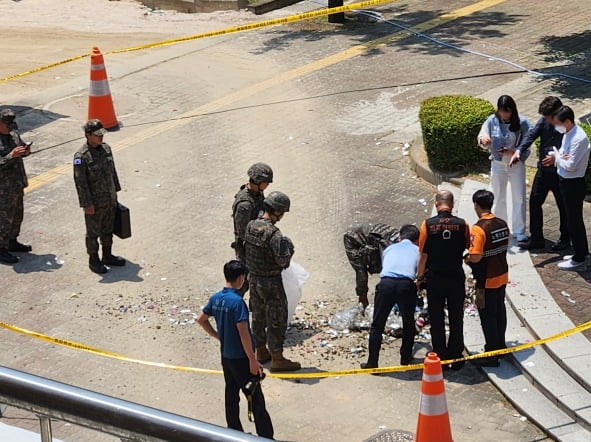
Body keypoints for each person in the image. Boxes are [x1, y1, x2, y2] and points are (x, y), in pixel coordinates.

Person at [197, 260, 274, 439]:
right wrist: (252, 360)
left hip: (226, 357)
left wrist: (219, 336)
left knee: (231, 396)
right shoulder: (237, 302)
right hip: (241, 359)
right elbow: (244, 333)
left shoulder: (216, 298)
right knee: (256, 400)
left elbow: (201, 319)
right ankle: (266, 437)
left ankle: (233, 433)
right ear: (241, 278)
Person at [244, 191, 300, 372]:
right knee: (277, 319)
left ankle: (261, 350)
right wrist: (289, 248)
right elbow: (283, 262)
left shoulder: (251, 225)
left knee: (258, 316)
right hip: (271, 283)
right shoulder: (274, 234)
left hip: (254, 279)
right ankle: (277, 358)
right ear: (277, 211)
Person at [417, 191, 470, 369]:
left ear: (436, 204)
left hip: (435, 278)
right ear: (452, 204)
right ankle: (456, 355)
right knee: (457, 316)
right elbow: (466, 246)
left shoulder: (427, 225)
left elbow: (423, 255)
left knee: (436, 317)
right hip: (455, 276)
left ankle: (439, 354)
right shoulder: (463, 225)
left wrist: (419, 277)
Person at [511, 97, 569, 251]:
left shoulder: (567, 126)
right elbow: (531, 135)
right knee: (535, 202)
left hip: (559, 173)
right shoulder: (544, 121)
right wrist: (519, 151)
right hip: (543, 171)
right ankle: (537, 239)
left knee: (563, 207)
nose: (546, 120)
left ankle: (565, 239)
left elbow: (573, 152)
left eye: (548, 117)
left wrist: (557, 158)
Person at [361, 224, 420, 369]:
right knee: (408, 322)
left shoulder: (389, 249)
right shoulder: (419, 250)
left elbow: (386, 265)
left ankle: (372, 362)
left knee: (377, 325)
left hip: (386, 284)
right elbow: (419, 271)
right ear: (417, 240)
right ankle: (405, 357)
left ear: (400, 237)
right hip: (406, 285)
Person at [73, 119, 126, 274]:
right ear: (87, 135)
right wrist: (86, 204)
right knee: (93, 233)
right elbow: (80, 183)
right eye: (97, 135)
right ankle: (94, 260)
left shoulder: (106, 149)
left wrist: (115, 192)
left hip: (109, 199)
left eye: (102, 134)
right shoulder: (81, 157)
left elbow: (112, 172)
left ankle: (107, 255)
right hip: (94, 203)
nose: (101, 137)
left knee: (108, 228)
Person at [542, 106, 590, 271]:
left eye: (558, 123)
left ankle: (580, 258)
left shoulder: (579, 138)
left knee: (574, 221)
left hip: (573, 184)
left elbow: (570, 165)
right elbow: (563, 154)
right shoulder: (567, 133)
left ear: (567, 121)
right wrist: (559, 156)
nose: (556, 127)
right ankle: (581, 252)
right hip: (565, 181)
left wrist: (559, 157)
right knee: (572, 220)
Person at [478, 95, 532, 242]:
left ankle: (519, 230)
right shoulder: (492, 120)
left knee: (518, 197)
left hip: (516, 163)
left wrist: (513, 152)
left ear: (512, 110)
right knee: (497, 195)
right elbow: (482, 136)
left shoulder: (523, 122)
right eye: (501, 111)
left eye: (506, 112)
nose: (504, 115)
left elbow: (528, 143)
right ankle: (499, 227)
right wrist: (484, 140)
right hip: (498, 163)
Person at [465, 190, 509, 367]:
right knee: (500, 311)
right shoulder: (502, 223)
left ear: (476, 205)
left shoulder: (479, 228)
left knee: (487, 315)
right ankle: (500, 346)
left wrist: (467, 258)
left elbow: (475, 256)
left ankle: (491, 354)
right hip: (502, 274)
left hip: (487, 278)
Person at [232, 162, 273, 294]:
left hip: (255, 247)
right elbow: (242, 232)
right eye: (266, 182)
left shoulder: (257, 194)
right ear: (258, 181)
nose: (267, 185)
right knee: (241, 284)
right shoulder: (245, 204)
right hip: (247, 250)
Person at [0, 109, 32, 264]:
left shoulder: (13, 134)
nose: (10, 128)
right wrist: (10, 156)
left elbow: (21, 148)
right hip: (3, 189)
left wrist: (26, 151)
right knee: (4, 219)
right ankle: (1, 248)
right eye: (7, 125)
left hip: (17, 183)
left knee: (17, 215)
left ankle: (12, 241)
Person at [343, 222, 399, 309]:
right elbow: (387, 270)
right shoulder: (387, 246)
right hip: (353, 239)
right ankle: (363, 299)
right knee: (361, 271)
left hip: (372, 239)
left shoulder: (404, 240)